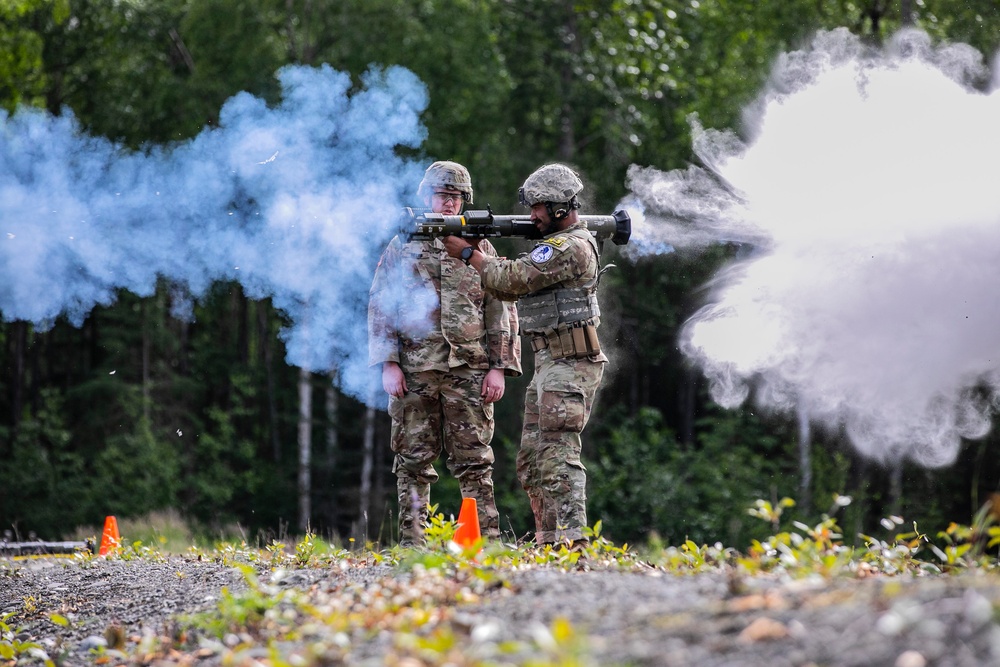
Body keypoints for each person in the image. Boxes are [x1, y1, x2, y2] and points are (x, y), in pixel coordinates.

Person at [442, 163, 607, 549]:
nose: (532, 216)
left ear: (561, 209)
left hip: (570, 364)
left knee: (557, 455)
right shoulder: (560, 242)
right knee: (533, 460)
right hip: (551, 362)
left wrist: (469, 253)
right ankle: (550, 541)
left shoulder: (570, 246)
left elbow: (511, 280)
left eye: (539, 208)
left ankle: (574, 542)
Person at [368, 160, 521, 546]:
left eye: (456, 197)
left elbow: (500, 308)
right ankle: (414, 545)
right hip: (416, 370)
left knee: (474, 463)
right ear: (426, 196)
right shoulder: (403, 243)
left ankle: (481, 544)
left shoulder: (480, 247)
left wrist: (499, 368)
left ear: (464, 201)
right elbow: (380, 304)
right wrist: (388, 362)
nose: (449, 203)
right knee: (413, 462)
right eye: (442, 195)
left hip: (469, 369)